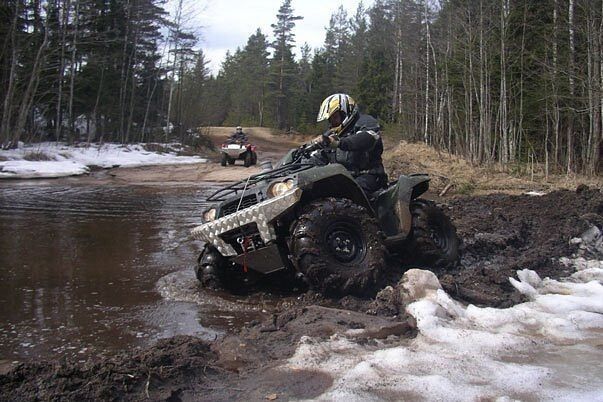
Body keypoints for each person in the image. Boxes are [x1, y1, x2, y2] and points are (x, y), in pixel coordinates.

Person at [314, 93, 387, 194]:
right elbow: (318, 157)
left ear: (345, 113)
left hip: (369, 177)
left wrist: (338, 143)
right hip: (345, 180)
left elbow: (366, 139)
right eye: (330, 120)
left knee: (346, 195)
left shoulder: (366, 122)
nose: (332, 122)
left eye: (335, 117)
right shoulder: (331, 135)